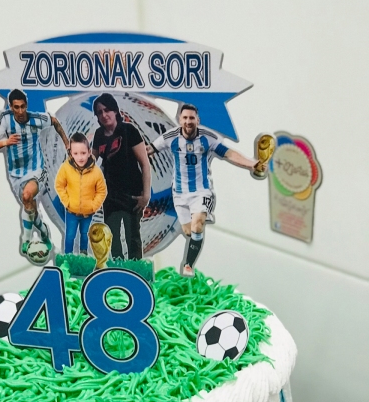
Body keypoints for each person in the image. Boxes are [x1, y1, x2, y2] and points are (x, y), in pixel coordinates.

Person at [147, 103, 261, 277]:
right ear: (180, 120)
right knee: (189, 232)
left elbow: (229, 154)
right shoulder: (170, 137)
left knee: (197, 224)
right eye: (185, 118)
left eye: (191, 118)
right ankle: (194, 237)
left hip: (201, 191)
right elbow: (148, 150)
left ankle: (188, 265)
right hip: (179, 194)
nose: (188, 121)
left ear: (197, 120)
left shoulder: (208, 138)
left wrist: (251, 164)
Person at [0, 89, 69, 257]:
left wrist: (67, 144)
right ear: (11, 107)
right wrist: (6, 142)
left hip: (37, 169)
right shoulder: (5, 119)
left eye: (22, 106)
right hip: (15, 174)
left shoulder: (36, 119)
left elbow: (54, 121)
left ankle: (25, 240)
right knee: (29, 206)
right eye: (16, 107)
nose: (20, 111)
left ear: (26, 105)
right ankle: (43, 230)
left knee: (27, 196)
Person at [91, 93, 151, 260]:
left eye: (107, 110)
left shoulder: (129, 130)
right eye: (100, 112)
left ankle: (135, 270)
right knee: (112, 236)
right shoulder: (99, 134)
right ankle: (117, 268)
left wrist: (146, 195)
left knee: (133, 236)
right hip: (110, 195)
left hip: (132, 193)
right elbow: (90, 162)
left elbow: (145, 164)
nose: (104, 115)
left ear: (115, 111)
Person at [54, 132, 107, 255]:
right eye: (76, 153)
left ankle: (83, 254)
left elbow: (102, 191)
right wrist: (67, 202)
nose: (80, 157)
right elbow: (59, 185)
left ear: (89, 152)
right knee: (70, 235)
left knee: (85, 234)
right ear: (71, 154)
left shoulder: (96, 172)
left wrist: (93, 206)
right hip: (71, 212)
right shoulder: (66, 168)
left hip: (88, 213)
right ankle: (68, 257)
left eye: (83, 153)